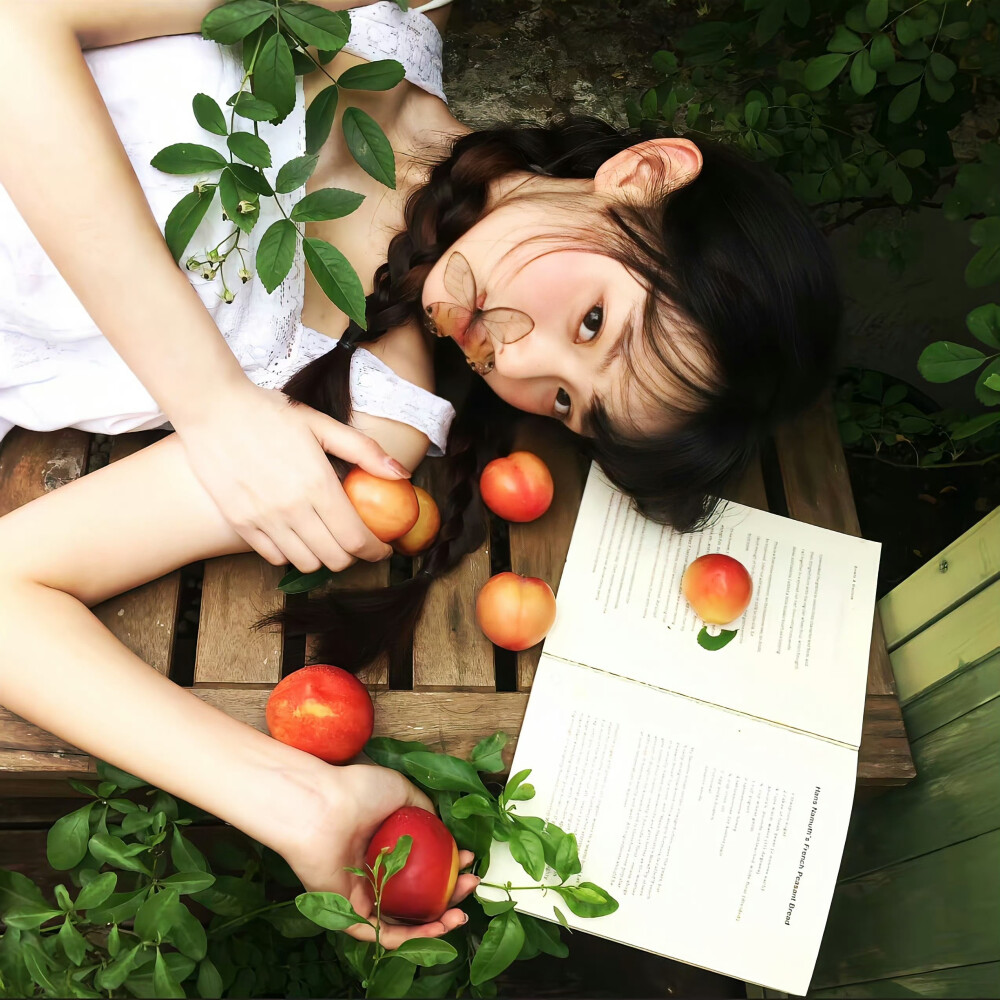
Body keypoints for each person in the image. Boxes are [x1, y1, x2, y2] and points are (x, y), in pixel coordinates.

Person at [0, 0, 841, 944]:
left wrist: (297, 805)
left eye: (567, 402)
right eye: (595, 323)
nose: (519, 368)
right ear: (643, 176)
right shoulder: (354, 15)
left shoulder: (373, 421)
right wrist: (209, 401)